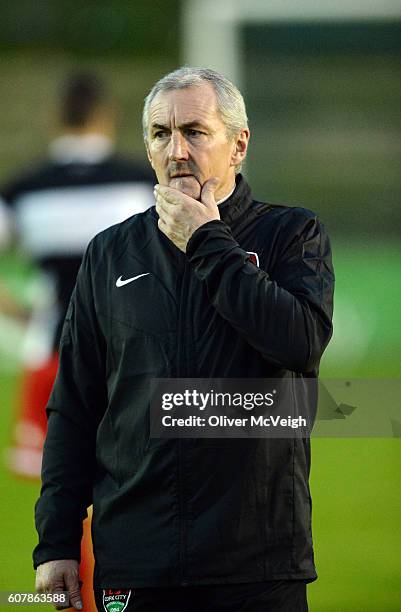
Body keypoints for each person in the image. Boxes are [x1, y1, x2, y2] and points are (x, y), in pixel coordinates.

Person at [33, 67, 334, 611]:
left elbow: (300, 343)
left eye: (194, 132)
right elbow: (75, 407)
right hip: (135, 563)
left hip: (257, 564)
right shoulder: (109, 254)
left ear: (238, 145)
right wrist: (55, 545)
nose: (176, 150)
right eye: (160, 134)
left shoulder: (291, 233)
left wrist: (207, 242)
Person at [0, 71, 154, 610]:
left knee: (66, 490)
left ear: (56, 118)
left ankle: (80, 596)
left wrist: (28, 313)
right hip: (126, 357)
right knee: (129, 484)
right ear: (107, 117)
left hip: (53, 353)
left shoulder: (24, 189)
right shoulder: (140, 183)